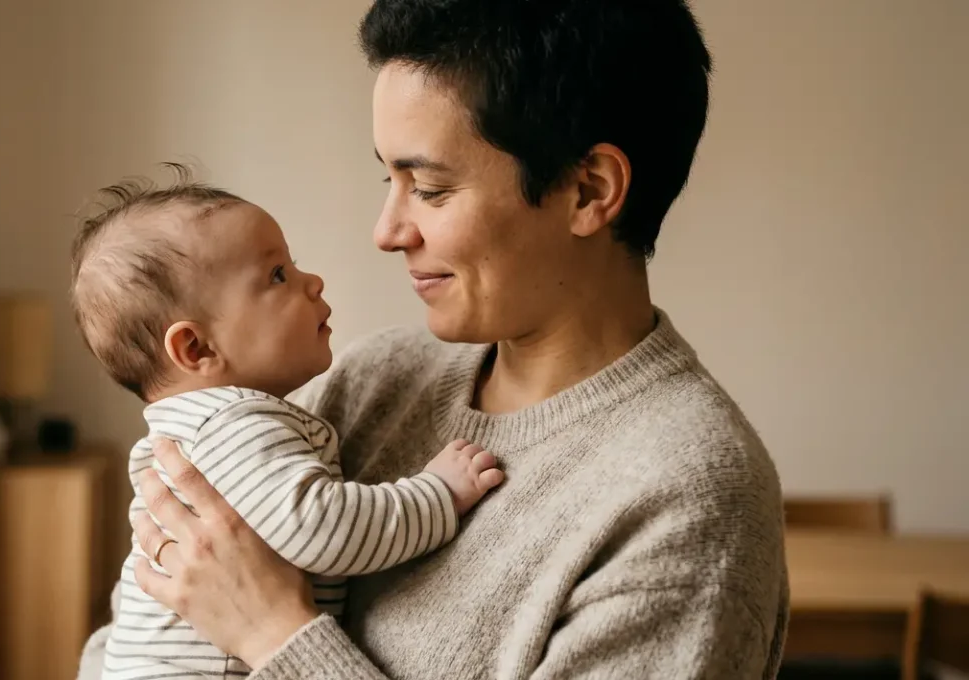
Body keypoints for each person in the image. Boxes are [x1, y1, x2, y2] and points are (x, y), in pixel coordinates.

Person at [81, 0, 788, 677]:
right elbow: (142, 624)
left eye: (431, 189)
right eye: (387, 178)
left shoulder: (688, 495)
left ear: (588, 190)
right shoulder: (371, 379)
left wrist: (274, 636)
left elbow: (232, 601)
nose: (388, 232)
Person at [69, 175, 505, 680]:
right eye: (277, 274)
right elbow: (324, 528)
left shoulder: (201, 428)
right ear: (197, 349)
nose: (311, 281)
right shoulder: (233, 426)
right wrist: (438, 495)